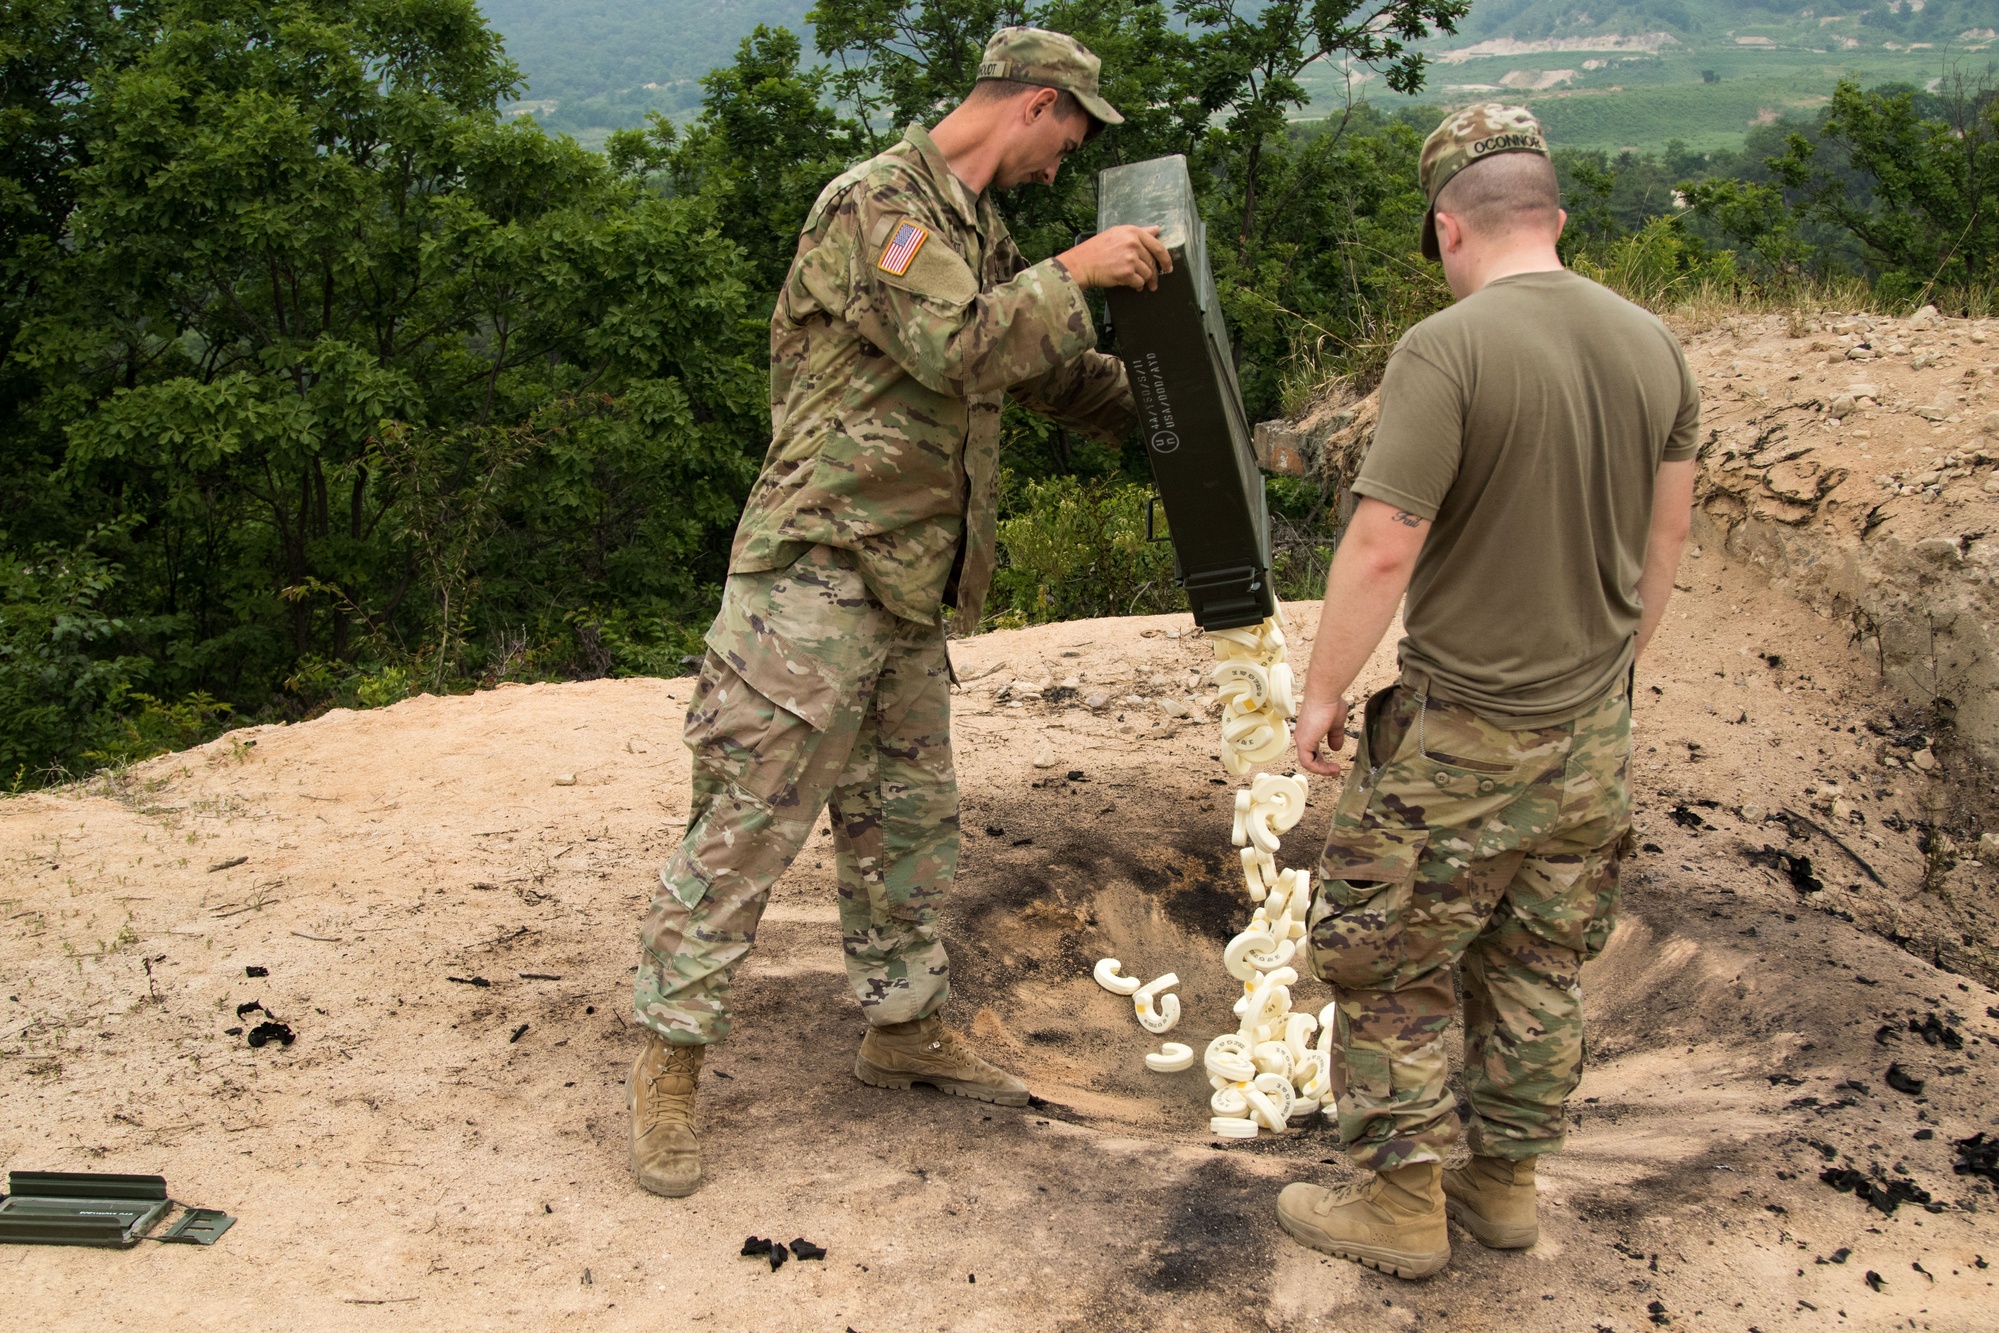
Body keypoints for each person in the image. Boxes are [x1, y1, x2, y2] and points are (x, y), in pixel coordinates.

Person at [625, 26, 1174, 1199]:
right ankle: (670, 1064)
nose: (1061, 162)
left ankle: (901, 1022)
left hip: (908, 582)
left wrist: (1193, 428)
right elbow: (958, 343)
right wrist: (1079, 273)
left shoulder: (978, 231)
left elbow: (1042, 373)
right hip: (816, 575)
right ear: (1034, 104)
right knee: (747, 824)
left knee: (907, 823)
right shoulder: (879, 205)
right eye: (1068, 135)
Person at [1272, 105, 1699, 1277]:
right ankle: (1504, 1187)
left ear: (1449, 228)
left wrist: (1320, 694)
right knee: (1535, 962)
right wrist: (1610, 670)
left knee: (1389, 955)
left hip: (1462, 730)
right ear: (1552, 217)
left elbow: (1381, 543)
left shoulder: (1446, 350)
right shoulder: (1653, 345)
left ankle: (1400, 1205)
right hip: (1591, 731)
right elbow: (1666, 536)